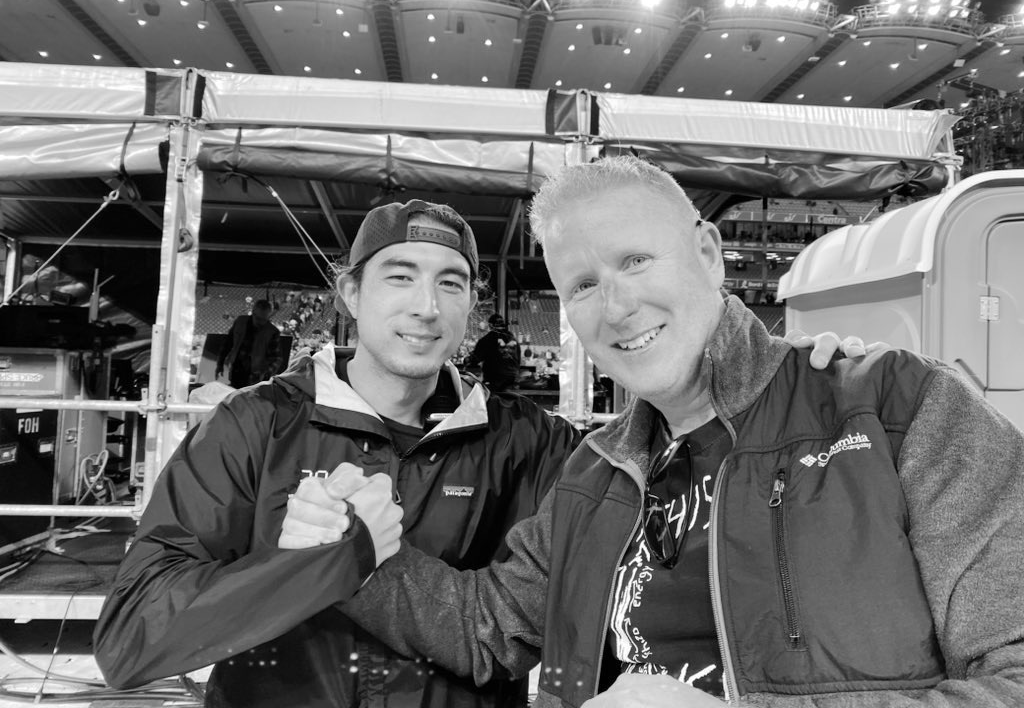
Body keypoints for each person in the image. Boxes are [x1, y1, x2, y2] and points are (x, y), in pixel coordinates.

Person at [95, 195, 861, 708]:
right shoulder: (253, 428)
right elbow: (130, 644)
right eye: (400, 277)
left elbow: (671, 481)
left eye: (452, 284)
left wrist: (787, 386)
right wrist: (300, 564)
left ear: (472, 304)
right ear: (350, 292)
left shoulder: (531, 444)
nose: (427, 307)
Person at [327, 157, 1024, 707]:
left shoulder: (901, 412)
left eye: (635, 261)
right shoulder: (593, 474)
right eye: (582, 286)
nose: (618, 306)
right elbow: (485, 623)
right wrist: (345, 550)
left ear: (710, 255)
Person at [215, 298, 283, 388]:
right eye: (258, 318)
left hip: (256, 377)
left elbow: (276, 358)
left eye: (264, 319)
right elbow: (227, 343)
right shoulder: (240, 322)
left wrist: (265, 374)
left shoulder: (272, 332)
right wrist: (220, 363)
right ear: (253, 313)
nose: (261, 323)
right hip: (236, 370)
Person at [466, 312, 522, 392]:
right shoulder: (513, 338)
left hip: (495, 378)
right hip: (513, 378)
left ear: (490, 325)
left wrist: (468, 360)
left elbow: (475, 359)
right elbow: (518, 359)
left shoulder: (487, 339)